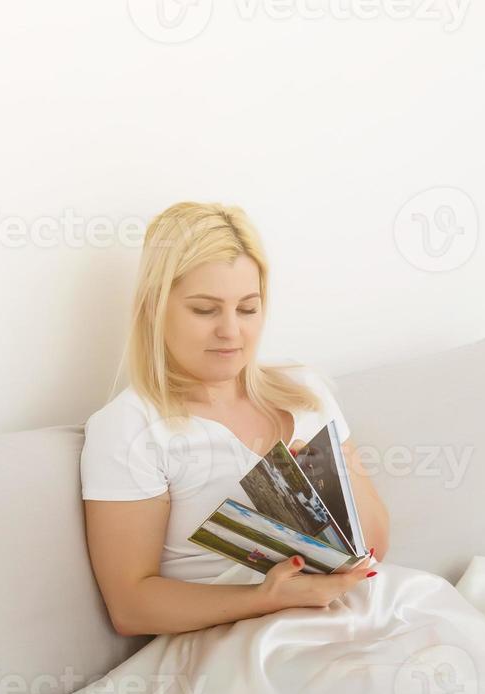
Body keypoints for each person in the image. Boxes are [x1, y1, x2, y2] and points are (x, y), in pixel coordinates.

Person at [79, 202, 387, 636]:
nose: (231, 331)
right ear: (155, 308)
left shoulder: (304, 391)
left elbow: (378, 547)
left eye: (247, 308)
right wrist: (265, 599)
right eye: (205, 310)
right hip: (240, 641)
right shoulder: (131, 428)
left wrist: (328, 484)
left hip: (353, 615)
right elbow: (131, 607)